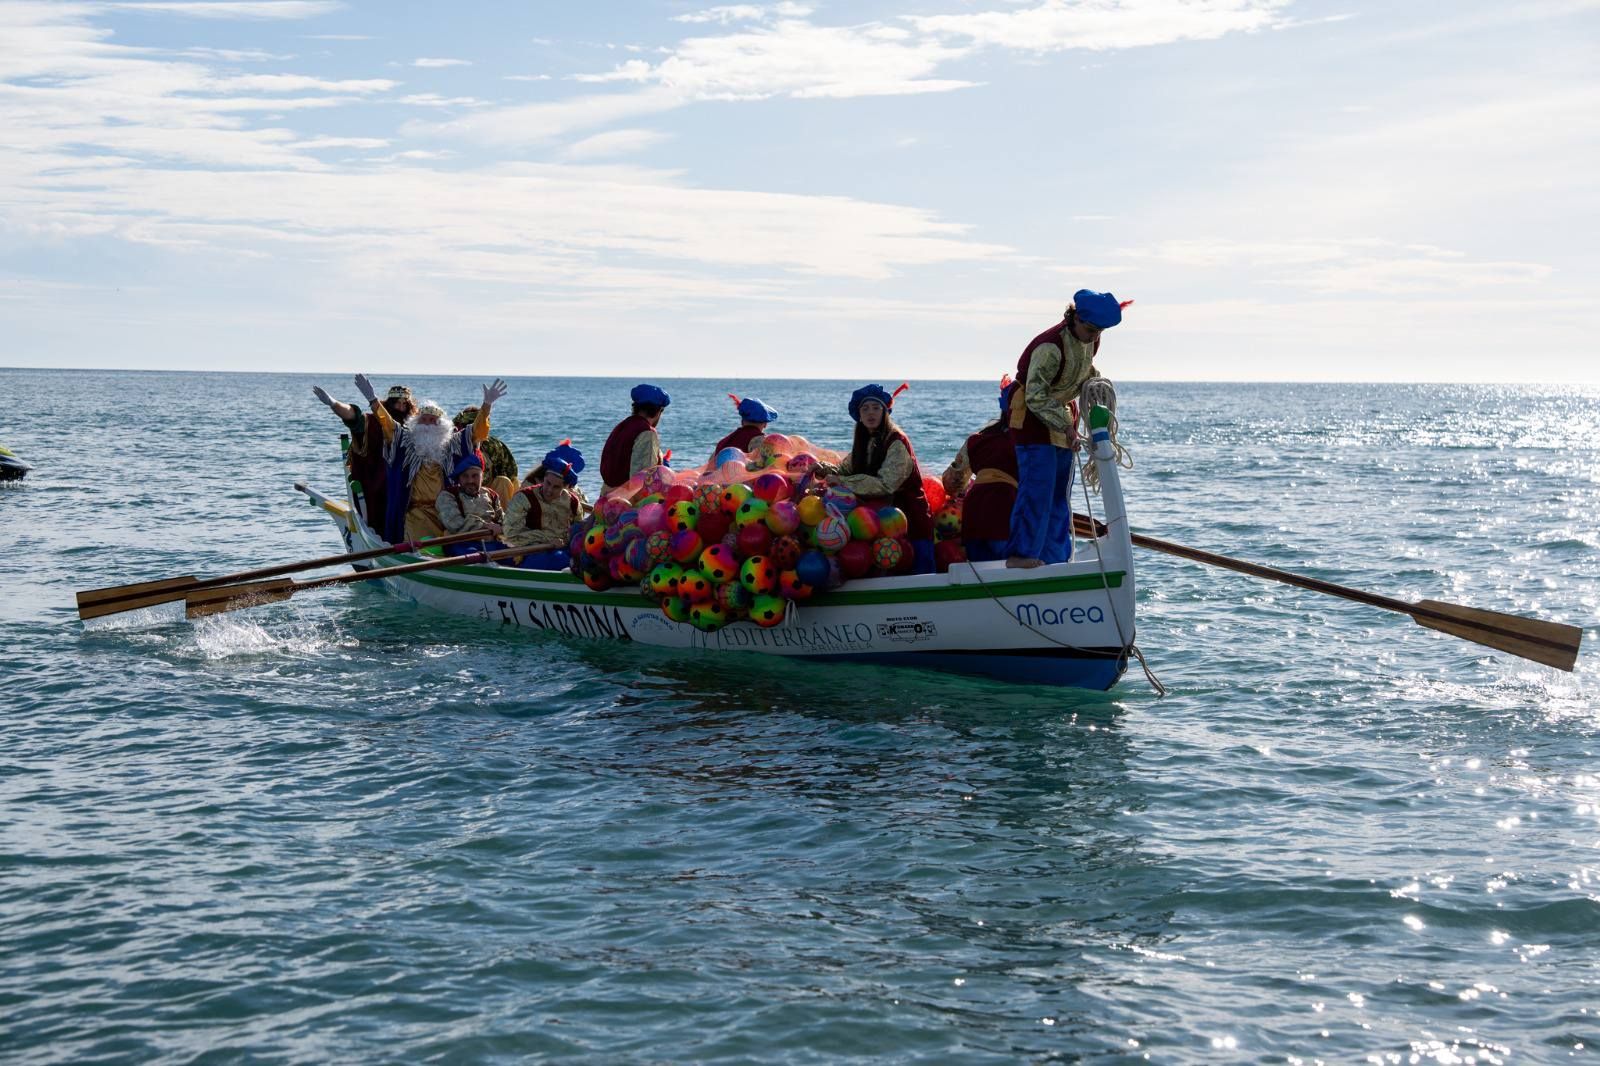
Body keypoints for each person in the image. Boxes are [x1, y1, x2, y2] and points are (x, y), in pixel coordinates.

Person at [1003, 289, 1126, 568]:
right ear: (1075, 318)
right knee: (1037, 491)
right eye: (1091, 329)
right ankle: (1020, 556)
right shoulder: (1050, 347)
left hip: (1062, 419)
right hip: (1032, 424)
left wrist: (1097, 384)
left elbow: (1083, 372)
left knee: (1060, 497)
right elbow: (1036, 396)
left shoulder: (1090, 341)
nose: (1095, 337)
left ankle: (1054, 557)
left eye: (1100, 332)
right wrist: (1066, 426)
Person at [357, 373, 507, 543]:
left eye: (432, 421)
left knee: (455, 544)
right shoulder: (406, 442)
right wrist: (373, 400)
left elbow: (476, 432)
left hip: (450, 510)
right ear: (416, 423)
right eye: (424, 420)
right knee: (421, 548)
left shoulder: (453, 444)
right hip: (416, 513)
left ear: (442, 426)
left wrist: (487, 405)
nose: (427, 425)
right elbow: (388, 424)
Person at [812, 383, 935, 574]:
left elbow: (886, 484)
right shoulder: (864, 442)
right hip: (875, 524)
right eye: (865, 409)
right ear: (858, 415)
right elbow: (844, 470)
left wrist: (843, 482)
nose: (871, 413)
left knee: (919, 574)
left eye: (876, 408)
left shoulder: (896, 442)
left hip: (909, 520)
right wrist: (821, 470)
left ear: (885, 412)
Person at [312, 382, 413, 528]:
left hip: (409, 489)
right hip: (379, 487)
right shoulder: (372, 423)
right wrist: (334, 404)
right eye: (397, 403)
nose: (402, 408)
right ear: (388, 404)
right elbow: (353, 417)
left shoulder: (416, 426)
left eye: (405, 404)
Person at [941, 388, 1018, 563]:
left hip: (975, 506)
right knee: (1005, 566)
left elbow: (952, 482)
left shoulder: (977, 439)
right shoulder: (1024, 441)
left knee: (979, 569)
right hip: (1005, 505)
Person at [503, 442, 586, 570]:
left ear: (566, 487)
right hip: (531, 552)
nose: (549, 490)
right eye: (547, 483)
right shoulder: (523, 497)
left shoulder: (573, 502)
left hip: (561, 549)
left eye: (556, 487)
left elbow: (578, 534)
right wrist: (548, 540)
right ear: (544, 478)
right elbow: (511, 533)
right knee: (558, 560)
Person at [599, 383, 670, 493]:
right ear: (658, 411)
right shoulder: (647, 432)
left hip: (605, 497)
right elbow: (643, 477)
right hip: (625, 502)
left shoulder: (623, 425)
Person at [436, 450, 506, 556]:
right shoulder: (447, 496)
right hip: (461, 545)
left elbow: (504, 521)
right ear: (458, 478)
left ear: (482, 477)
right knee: (474, 555)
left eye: (475, 476)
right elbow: (456, 524)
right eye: (465, 476)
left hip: (491, 544)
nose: (470, 481)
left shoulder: (491, 495)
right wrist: (485, 526)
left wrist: (504, 527)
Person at [452, 405, 518, 492]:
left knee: (504, 482)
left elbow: (510, 472)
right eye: (468, 426)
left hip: (489, 492)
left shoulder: (494, 445)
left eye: (477, 427)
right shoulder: (452, 445)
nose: (473, 431)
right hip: (461, 490)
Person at [711, 395, 778, 460]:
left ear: (742, 421)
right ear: (765, 424)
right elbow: (767, 464)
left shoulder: (723, 442)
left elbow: (710, 463)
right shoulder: (761, 440)